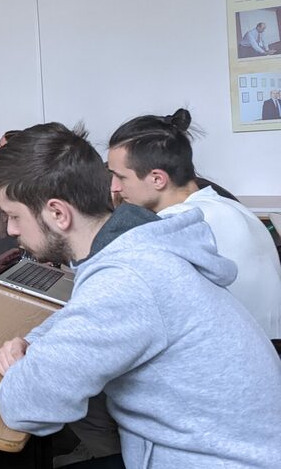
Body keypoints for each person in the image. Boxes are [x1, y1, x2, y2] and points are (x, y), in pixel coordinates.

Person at [0, 123, 281, 469]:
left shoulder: (128, 280)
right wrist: (36, 342)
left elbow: (27, 407)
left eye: (14, 216)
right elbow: (79, 314)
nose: (11, 231)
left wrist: (19, 366)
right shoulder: (138, 247)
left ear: (57, 213)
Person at [108, 108, 281, 339]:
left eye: (120, 177)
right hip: (266, 345)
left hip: (237, 347)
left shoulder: (179, 224)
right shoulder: (230, 206)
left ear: (157, 179)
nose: (114, 188)